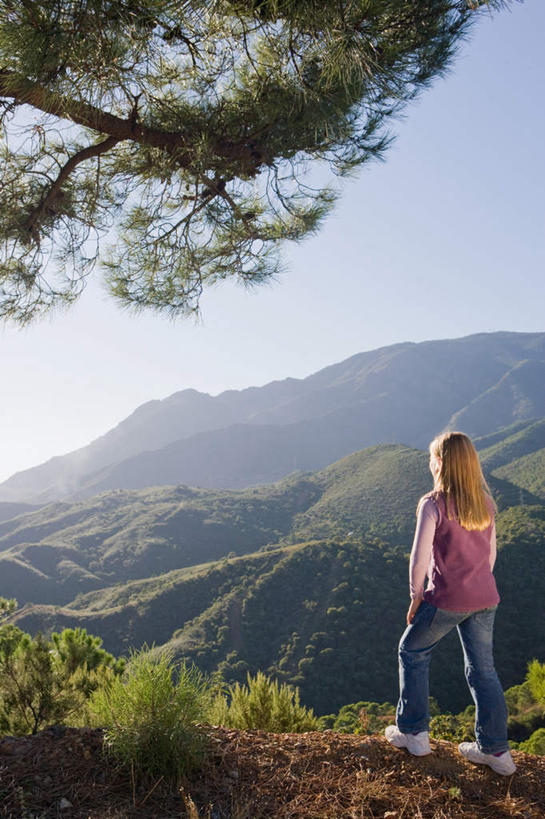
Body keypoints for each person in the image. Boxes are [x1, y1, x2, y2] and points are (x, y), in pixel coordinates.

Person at [385, 431, 516, 776]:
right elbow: (490, 556)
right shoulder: (484, 502)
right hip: (485, 598)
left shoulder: (433, 503)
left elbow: (419, 558)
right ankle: (496, 750)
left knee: (411, 651)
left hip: (447, 599)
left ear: (440, 462)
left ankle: (414, 732)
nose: (430, 462)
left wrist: (416, 596)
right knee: (483, 670)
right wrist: (477, 587)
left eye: (432, 457)